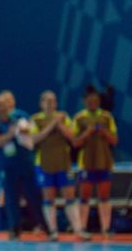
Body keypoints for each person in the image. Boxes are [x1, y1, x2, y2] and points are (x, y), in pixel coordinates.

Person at [29, 90, 89, 241]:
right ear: (41, 104)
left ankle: (78, 230)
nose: (50, 104)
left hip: (63, 162)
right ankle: (53, 231)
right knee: (49, 197)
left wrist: (59, 123)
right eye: (47, 101)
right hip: (43, 163)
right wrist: (52, 124)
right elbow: (34, 139)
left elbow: (73, 138)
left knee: (70, 196)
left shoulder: (64, 117)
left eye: (53, 101)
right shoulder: (35, 119)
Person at [0, 91, 46, 240]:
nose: (2, 108)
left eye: (4, 105)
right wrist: (9, 135)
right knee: (11, 197)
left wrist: (25, 132)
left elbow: (31, 136)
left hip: (24, 163)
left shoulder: (20, 117)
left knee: (33, 194)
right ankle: (14, 228)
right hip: (7, 167)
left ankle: (42, 224)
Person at [73, 86, 119, 239]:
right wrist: (88, 132)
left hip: (104, 162)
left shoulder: (107, 117)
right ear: (84, 101)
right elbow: (75, 143)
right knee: (84, 195)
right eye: (89, 100)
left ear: (99, 101)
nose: (93, 102)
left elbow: (115, 140)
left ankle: (106, 229)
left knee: (104, 195)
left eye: (96, 100)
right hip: (86, 163)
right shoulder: (79, 118)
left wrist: (103, 132)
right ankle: (82, 228)